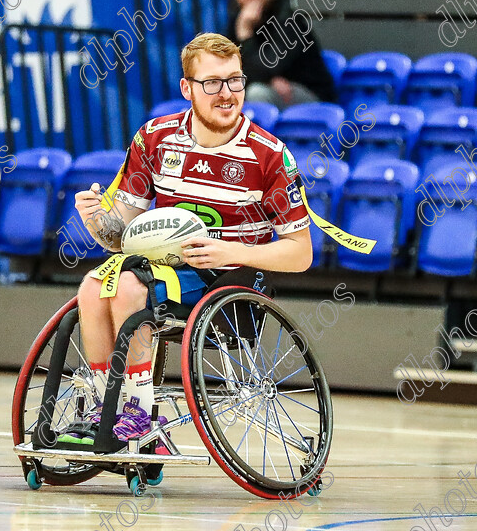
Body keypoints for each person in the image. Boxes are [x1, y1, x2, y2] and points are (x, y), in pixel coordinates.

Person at [64, 32, 313, 445]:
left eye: (235, 80)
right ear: (187, 89)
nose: (227, 93)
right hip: (166, 269)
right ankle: (103, 406)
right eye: (212, 83)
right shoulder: (155, 138)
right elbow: (119, 235)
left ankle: (139, 415)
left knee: (127, 285)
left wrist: (230, 249)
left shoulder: (270, 156)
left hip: (230, 278)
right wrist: (95, 220)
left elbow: (300, 253)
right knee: (93, 285)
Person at [227, 0, 336, 109]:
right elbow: (227, 69)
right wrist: (269, 79)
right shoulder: (237, 20)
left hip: (311, 95)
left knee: (257, 93)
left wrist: (245, 34)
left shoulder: (289, 21)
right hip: (269, 87)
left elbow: (267, 67)